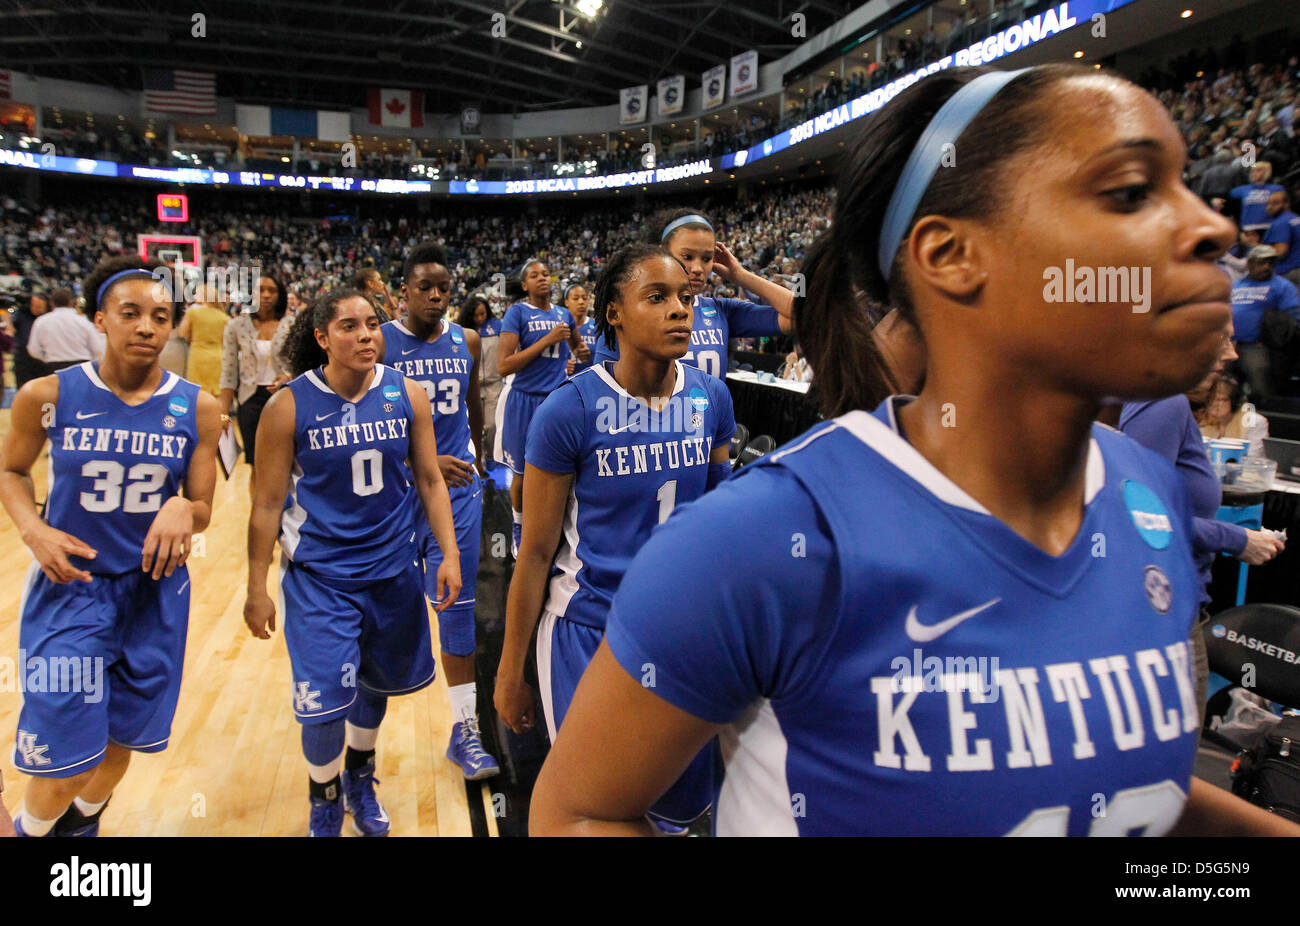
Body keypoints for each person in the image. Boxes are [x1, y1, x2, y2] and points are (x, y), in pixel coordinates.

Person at [529, 64, 1300, 837]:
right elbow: (580, 812)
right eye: (1130, 191)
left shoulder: (1147, 489)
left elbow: (1130, 789)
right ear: (951, 253)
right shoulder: (764, 538)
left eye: (1185, 182)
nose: (1214, 226)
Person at [495, 244, 735, 832]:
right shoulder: (567, 410)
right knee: (598, 813)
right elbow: (533, 554)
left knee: (677, 813)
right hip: (589, 631)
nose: (680, 310)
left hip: (683, 633)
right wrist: (510, 670)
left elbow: (723, 532)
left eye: (685, 298)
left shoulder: (712, 397)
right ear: (614, 314)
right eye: (657, 298)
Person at [0, 254, 220, 837]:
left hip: (155, 596)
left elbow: (201, 509)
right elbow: (11, 471)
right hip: (73, 589)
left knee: (122, 739)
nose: (147, 326)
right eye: (131, 313)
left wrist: (183, 508)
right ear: (100, 319)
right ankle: (28, 832)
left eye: (160, 316)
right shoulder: (47, 394)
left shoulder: (198, 407)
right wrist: (33, 527)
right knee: (66, 748)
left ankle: (82, 826)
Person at [243, 287, 461, 837]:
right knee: (321, 703)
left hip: (392, 571)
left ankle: (360, 777)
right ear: (322, 338)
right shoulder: (287, 406)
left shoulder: (407, 394)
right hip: (321, 578)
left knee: (374, 686)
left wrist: (449, 553)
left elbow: (431, 479)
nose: (366, 335)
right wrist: (256, 585)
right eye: (348, 327)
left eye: (371, 324)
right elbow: (267, 504)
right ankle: (324, 798)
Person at [382, 242, 498, 780]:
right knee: (384, 619)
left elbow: (474, 405)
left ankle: (464, 729)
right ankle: (363, 747)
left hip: (456, 496)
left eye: (444, 288)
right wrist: (420, 457)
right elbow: (354, 418)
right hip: (393, 498)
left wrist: (477, 457)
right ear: (402, 291)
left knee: (457, 612)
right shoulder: (377, 342)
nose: (435, 296)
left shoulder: (467, 340)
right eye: (424, 287)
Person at [590, 210, 795, 379]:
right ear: (662, 252)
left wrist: (741, 275)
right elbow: (601, 387)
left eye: (707, 258)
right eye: (687, 256)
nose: (698, 268)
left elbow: (800, 314)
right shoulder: (632, 311)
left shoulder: (721, 310)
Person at [494, 259, 589, 556]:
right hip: (524, 399)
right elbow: (503, 365)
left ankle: (556, 527)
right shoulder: (517, 313)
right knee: (521, 474)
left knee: (563, 471)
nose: (542, 279)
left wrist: (581, 353)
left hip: (557, 401)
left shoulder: (564, 315)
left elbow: (579, 350)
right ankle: (519, 525)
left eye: (546, 274)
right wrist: (547, 340)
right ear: (524, 285)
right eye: (534, 276)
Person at [218, 273, 293, 497]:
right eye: (261, 290)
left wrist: (289, 376)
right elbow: (229, 370)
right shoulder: (236, 326)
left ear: (280, 296)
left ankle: (284, 517)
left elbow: (302, 363)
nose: (266, 295)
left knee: (286, 460)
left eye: (272, 290)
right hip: (249, 399)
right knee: (256, 464)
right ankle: (259, 517)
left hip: (284, 398)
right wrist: (223, 411)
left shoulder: (291, 324)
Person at [1229, 244, 1300, 397]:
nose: (1267, 266)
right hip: (1230, 345)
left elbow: (1293, 317)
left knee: (1260, 390)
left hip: (1257, 348)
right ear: (1249, 264)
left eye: (1271, 262)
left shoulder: (1282, 286)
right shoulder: (1236, 285)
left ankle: (1264, 419)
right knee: (1226, 387)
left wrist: (1273, 342)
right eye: (1261, 262)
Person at [458, 294, 501, 458]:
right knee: (472, 425)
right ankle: (477, 460)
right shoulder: (462, 331)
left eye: (483, 313)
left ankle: (490, 457)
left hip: (493, 383)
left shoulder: (497, 326)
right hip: (471, 385)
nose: (480, 318)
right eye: (476, 315)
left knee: (491, 425)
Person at [26, 287, 105, 371]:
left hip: (54, 365)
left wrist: (47, 359)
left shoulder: (41, 321)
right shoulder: (83, 321)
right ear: (72, 302)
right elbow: (98, 349)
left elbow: (33, 349)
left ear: (52, 303)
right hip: (82, 365)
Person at [175, 285, 231, 396]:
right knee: (214, 392)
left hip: (198, 353)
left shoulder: (192, 313)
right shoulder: (224, 317)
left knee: (197, 392)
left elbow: (181, 333)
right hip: (218, 355)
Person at [1197, 375, 1269, 456]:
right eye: (1210, 399)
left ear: (1235, 402)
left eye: (1220, 399)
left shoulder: (1254, 422)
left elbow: (1253, 458)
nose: (1213, 404)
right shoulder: (1202, 420)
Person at [11, 290, 51, 390]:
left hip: (43, 361)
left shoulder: (50, 319)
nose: (35, 309)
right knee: (23, 389)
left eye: (39, 307)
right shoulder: (22, 315)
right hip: (23, 360)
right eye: (33, 305)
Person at [1229, 161, 1285, 232]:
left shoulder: (1277, 189)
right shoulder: (1243, 189)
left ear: (1266, 172)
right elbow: (1226, 198)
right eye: (1253, 171)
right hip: (1249, 229)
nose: (1254, 173)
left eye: (1258, 170)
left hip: (1270, 227)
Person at [1262, 189, 1300, 285]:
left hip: (1289, 273)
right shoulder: (1295, 218)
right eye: (1268, 204)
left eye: (1275, 203)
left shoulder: (1281, 222)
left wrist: (1253, 244)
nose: (1269, 207)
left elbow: (1280, 251)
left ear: (1287, 203)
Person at [562, 283, 596, 377]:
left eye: (584, 298)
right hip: (564, 384)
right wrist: (562, 367)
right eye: (575, 298)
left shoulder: (598, 327)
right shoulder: (559, 327)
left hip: (590, 383)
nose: (581, 302)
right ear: (566, 302)